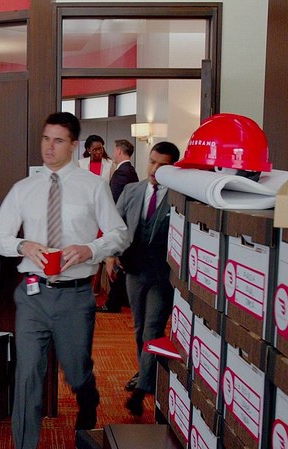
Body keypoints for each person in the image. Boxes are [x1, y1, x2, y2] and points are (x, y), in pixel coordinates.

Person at [0, 112, 128, 449]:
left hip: (75, 296)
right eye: (46, 139)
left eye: (58, 141)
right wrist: (22, 245)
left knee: (76, 371)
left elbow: (120, 234)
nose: (49, 147)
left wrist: (90, 249)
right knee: (27, 374)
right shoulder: (24, 189)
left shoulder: (93, 186)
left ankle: (88, 397)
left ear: (74, 145)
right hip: (33, 294)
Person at [105, 141, 180, 416]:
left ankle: (143, 388)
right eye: (152, 162)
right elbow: (116, 225)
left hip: (163, 275)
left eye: (163, 165)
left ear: (173, 168)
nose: (155, 169)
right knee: (139, 328)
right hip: (134, 269)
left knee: (152, 329)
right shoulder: (132, 190)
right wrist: (111, 255)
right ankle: (146, 372)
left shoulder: (181, 198)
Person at [100, 139, 140, 313]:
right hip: (129, 225)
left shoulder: (121, 173)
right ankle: (120, 299)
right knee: (122, 264)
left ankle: (113, 302)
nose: (113, 153)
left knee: (117, 264)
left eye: (114, 149)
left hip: (121, 225)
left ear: (119, 151)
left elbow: (115, 203)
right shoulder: (131, 171)